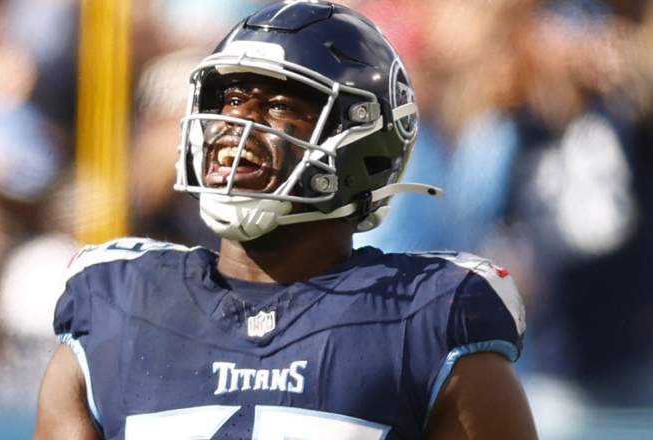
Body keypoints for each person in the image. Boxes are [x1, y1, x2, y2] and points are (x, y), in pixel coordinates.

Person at [34, 2, 537, 439]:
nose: (235, 127)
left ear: (363, 142)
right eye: (230, 101)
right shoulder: (116, 303)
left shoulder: (427, 318)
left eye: (276, 106)